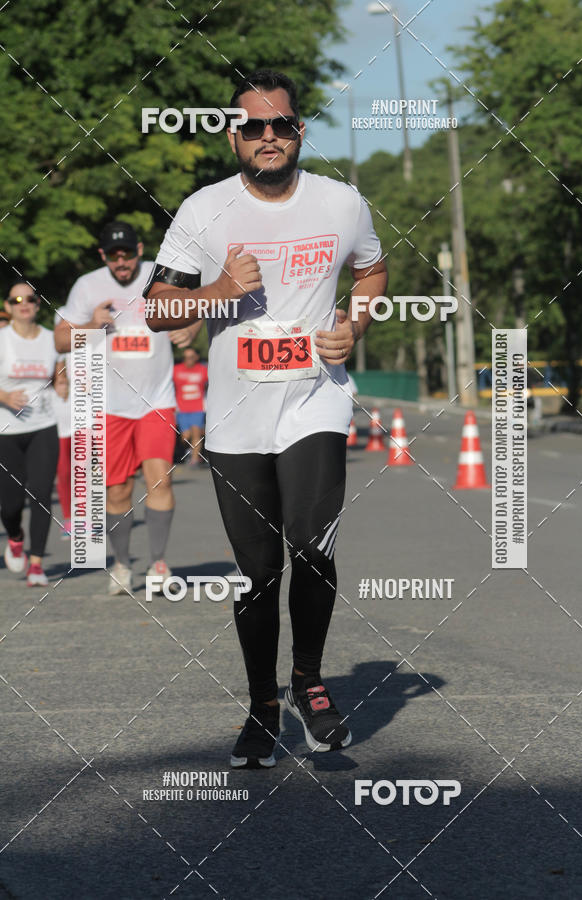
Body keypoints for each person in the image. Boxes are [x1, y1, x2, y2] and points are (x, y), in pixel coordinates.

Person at [145, 69, 387, 767]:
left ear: (299, 131)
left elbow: (372, 272)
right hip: (236, 413)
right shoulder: (204, 211)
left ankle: (309, 681)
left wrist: (355, 325)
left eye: (281, 124)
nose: (268, 136)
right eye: (254, 126)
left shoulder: (342, 204)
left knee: (311, 543)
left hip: (316, 396)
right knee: (258, 572)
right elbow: (159, 306)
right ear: (234, 135)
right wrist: (219, 289)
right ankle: (261, 706)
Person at [55, 222, 200, 595]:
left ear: (139, 249)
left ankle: (158, 563)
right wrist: (90, 325)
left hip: (157, 400)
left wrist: (193, 328)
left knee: (160, 479)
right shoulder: (88, 286)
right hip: (108, 405)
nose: (122, 262)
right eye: (114, 256)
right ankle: (121, 564)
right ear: (104, 256)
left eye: (128, 253)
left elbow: (200, 302)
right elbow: (59, 338)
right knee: (117, 491)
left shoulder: (160, 275)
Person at [0, 283, 67, 586]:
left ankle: (37, 564)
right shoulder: (2, 339)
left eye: (30, 298)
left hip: (43, 426)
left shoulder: (51, 340)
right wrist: (4, 397)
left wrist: (64, 385)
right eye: (17, 299)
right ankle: (15, 536)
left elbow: (58, 376)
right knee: (11, 503)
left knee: (41, 493)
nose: (24, 303)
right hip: (6, 430)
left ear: (38, 305)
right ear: (8, 306)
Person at [51, 306, 73, 539]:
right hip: (60, 416)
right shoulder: (54, 349)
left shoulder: (91, 346)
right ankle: (69, 519)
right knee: (63, 469)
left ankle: (86, 516)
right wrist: (59, 377)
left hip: (84, 415)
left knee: (86, 468)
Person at [173, 347, 208, 466]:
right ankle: (191, 450)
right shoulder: (176, 370)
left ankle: (194, 460)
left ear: (196, 358)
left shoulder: (203, 370)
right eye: (185, 358)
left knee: (196, 433)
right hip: (181, 409)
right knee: (185, 436)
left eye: (191, 357)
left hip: (198, 408)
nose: (188, 360)